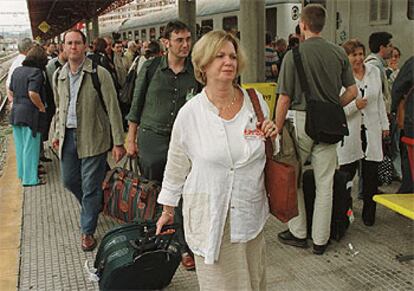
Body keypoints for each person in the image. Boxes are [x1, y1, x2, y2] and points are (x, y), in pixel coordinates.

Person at [155, 29, 277, 291]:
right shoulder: (191, 114)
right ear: (203, 64)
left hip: (249, 217)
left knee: (253, 281)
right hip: (210, 220)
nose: (228, 62)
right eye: (219, 56)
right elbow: (176, 165)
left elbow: (269, 155)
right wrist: (167, 210)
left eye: (232, 56)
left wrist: (273, 137)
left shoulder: (255, 104)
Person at [275, 4, 357, 255]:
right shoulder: (338, 53)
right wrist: (333, 107)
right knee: (325, 182)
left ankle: (299, 232)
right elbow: (352, 92)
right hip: (330, 124)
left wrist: (276, 131)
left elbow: (285, 98)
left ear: (303, 24)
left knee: (296, 179)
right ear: (323, 24)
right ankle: (321, 241)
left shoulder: (293, 55)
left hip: (302, 121)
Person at [126, 20, 199, 271]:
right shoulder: (150, 67)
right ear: (166, 42)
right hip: (151, 139)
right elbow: (136, 103)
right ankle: (151, 238)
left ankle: (184, 247)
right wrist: (130, 137)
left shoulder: (196, 71)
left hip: (183, 142)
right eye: (180, 40)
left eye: (188, 39)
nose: (185, 44)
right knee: (151, 192)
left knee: (182, 194)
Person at [52, 29, 125, 252]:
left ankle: (87, 231)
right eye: (69, 43)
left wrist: (119, 142)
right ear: (63, 48)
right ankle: (92, 207)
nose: (73, 47)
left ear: (85, 47)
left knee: (91, 185)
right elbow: (59, 108)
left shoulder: (98, 73)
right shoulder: (59, 75)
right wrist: (56, 134)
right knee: (69, 180)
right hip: (68, 138)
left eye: (77, 43)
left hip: (93, 136)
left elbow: (113, 108)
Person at [337, 39, 389, 226]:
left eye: (360, 54)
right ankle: (344, 212)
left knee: (371, 175)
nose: (359, 59)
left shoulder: (374, 72)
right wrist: (354, 106)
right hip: (351, 132)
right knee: (346, 174)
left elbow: (379, 101)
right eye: (354, 55)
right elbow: (337, 109)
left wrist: (385, 125)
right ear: (346, 57)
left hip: (372, 130)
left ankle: (369, 215)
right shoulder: (340, 76)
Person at [9, 45, 48, 186]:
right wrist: (41, 107)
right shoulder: (36, 72)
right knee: (30, 147)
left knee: (20, 146)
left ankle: (22, 174)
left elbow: (11, 91)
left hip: (16, 113)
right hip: (31, 115)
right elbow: (33, 93)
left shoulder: (18, 71)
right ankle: (30, 179)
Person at [391, 56, 414, 193]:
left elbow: (398, 88)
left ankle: (407, 193)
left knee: (410, 156)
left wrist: (395, 109)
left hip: (412, 118)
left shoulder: (412, 63)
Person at [365, 32, 393, 113]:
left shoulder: (379, 65)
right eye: (390, 46)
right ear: (382, 48)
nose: (392, 49)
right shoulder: (373, 66)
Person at [6, 38, 33, 105]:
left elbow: (7, 84)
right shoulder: (26, 63)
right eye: (32, 48)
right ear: (28, 49)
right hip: (24, 102)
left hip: (17, 102)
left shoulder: (15, 62)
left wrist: (11, 100)